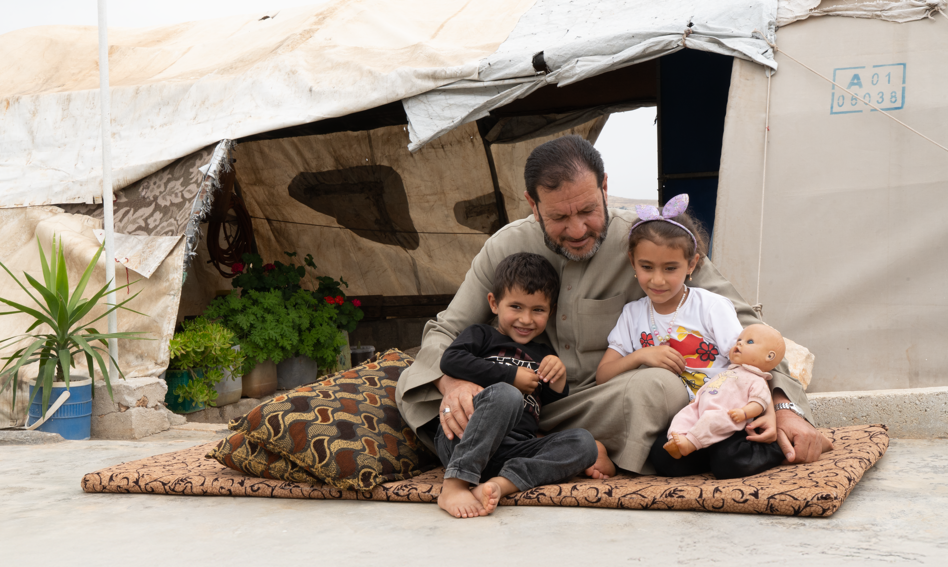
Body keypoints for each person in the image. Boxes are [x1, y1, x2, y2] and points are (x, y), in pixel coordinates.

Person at [396, 135, 825, 475]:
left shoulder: (650, 241)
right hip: (520, 408)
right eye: (559, 218)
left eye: (587, 210)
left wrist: (785, 406)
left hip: (607, 404)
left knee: (660, 386)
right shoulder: (505, 246)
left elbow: (746, 323)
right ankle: (564, 454)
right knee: (476, 402)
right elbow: (445, 331)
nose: (578, 229)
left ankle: (543, 455)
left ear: (605, 187)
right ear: (532, 204)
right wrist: (451, 385)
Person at [434, 252, 612, 518]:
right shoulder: (482, 335)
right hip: (466, 440)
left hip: (515, 450)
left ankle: (499, 485)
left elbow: (548, 404)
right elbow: (451, 360)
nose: (526, 319)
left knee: (584, 442)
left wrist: (558, 377)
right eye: (516, 307)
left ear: (550, 311)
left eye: (538, 310)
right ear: (494, 303)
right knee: (507, 395)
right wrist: (510, 377)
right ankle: (455, 484)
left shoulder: (542, 352)